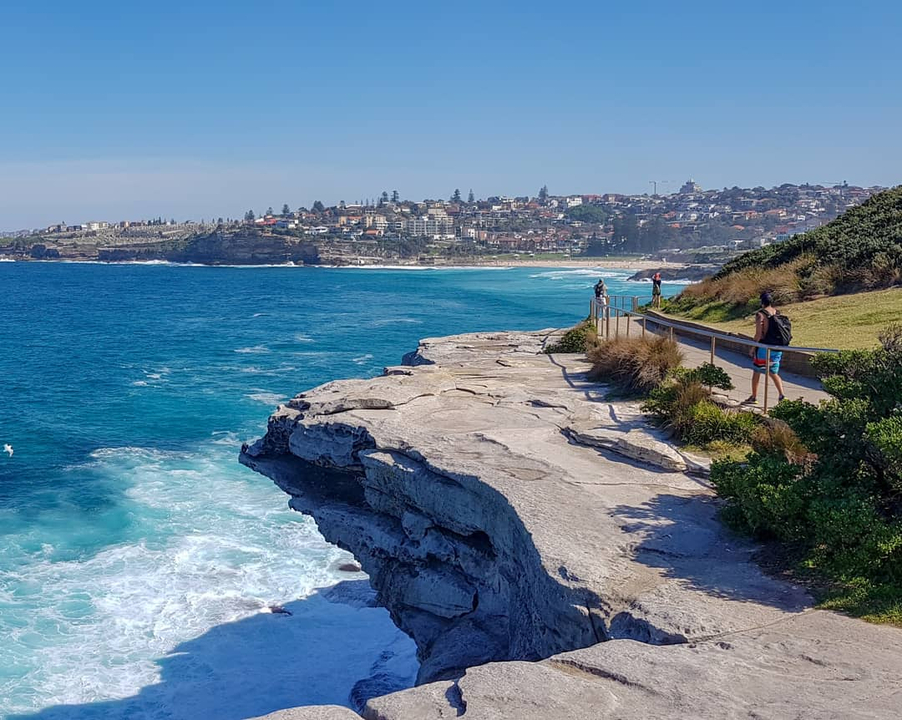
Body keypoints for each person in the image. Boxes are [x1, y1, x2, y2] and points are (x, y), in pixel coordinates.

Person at [744, 291, 787, 405]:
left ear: (762, 302)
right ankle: (781, 395)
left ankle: (754, 397)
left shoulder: (760, 314)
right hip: (777, 348)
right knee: (773, 372)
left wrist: (753, 348)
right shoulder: (777, 312)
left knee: (757, 371)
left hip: (764, 348)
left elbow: (758, 335)